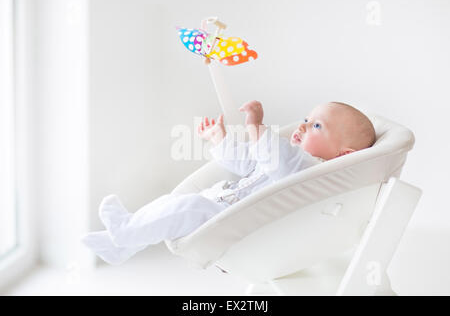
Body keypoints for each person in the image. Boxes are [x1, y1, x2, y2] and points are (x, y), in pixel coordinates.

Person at [81, 101, 376, 265]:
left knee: (188, 206)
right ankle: (124, 242)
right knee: (170, 204)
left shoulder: (313, 170)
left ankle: (125, 233)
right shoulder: (290, 156)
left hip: (233, 220)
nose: (301, 126)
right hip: (220, 203)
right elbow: (248, 162)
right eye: (306, 118)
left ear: (343, 154)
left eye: (316, 126)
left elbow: (280, 162)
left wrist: (256, 127)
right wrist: (219, 139)